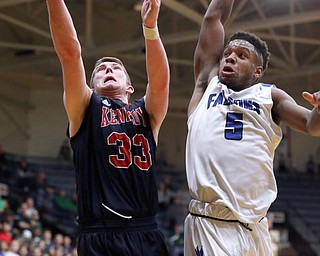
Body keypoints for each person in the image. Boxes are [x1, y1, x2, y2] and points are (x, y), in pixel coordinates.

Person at [184, 0, 320, 255]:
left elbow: (310, 125)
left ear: (257, 71)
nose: (230, 57)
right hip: (212, 223)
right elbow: (213, 19)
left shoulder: (271, 96)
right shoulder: (207, 86)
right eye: (227, 54)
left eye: (241, 56)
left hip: (255, 227)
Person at [45, 0, 170, 255]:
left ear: (130, 87)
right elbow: (70, 53)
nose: (108, 69)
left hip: (146, 232)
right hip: (100, 234)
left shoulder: (146, 112)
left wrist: (150, 28)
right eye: (101, 69)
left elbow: (159, 83)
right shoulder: (85, 106)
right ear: (91, 85)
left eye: (116, 68)